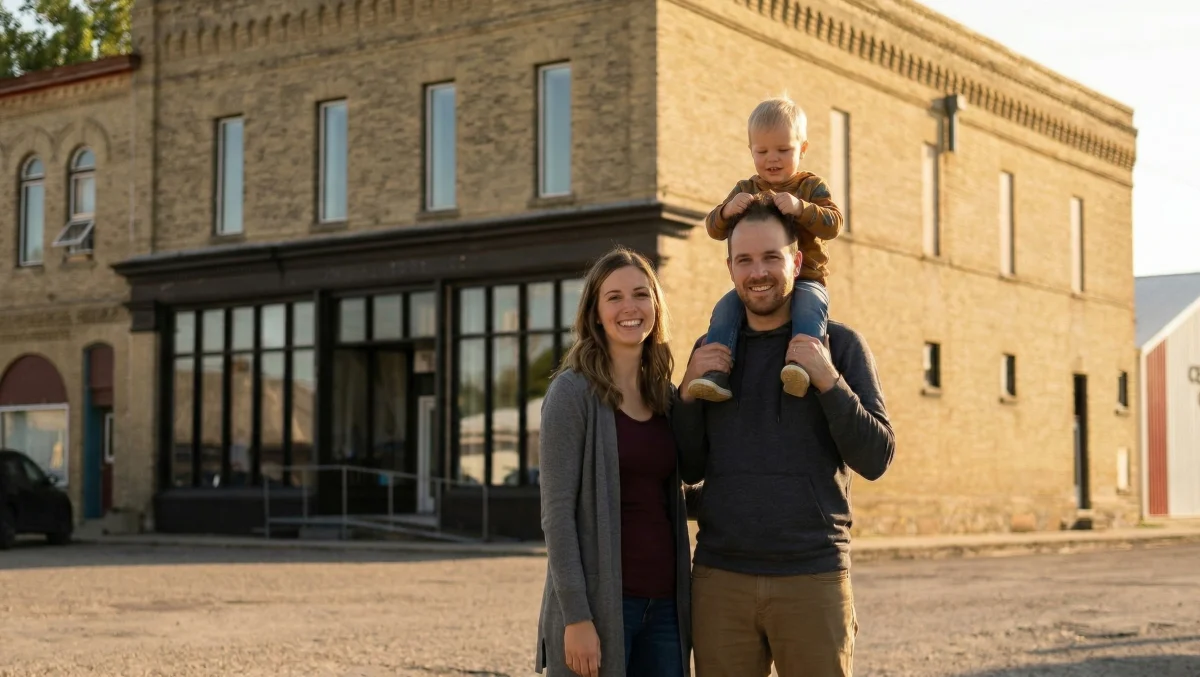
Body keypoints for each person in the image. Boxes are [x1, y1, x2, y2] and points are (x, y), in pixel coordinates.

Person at [673, 198, 895, 677]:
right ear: (730, 267)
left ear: (796, 261)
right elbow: (689, 467)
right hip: (720, 579)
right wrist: (687, 394)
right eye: (745, 260)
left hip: (812, 576)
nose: (759, 273)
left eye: (772, 257)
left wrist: (829, 381)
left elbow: (877, 457)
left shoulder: (841, 345)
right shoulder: (710, 351)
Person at [534, 246, 692, 677]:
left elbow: (670, 497)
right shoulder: (572, 393)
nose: (630, 307)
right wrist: (576, 618)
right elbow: (557, 516)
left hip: (665, 607)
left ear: (655, 306)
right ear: (596, 313)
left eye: (641, 294)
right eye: (614, 297)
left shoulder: (666, 396)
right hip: (603, 607)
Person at [687, 95, 843, 402]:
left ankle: (802, 365)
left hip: (808, 278)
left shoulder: (810, 187)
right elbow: (712, 228)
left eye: (783, 150)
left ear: (803, 148)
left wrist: (802, 208)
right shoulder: (746, 189)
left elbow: (834, 224)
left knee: (810, 309)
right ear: (751, 151)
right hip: (763, 285)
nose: (773, 158)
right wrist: (728, 210)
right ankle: (716, 373)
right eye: (762, 151)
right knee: (724, 310)